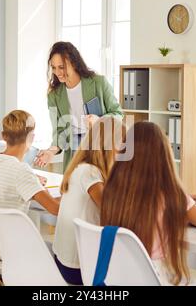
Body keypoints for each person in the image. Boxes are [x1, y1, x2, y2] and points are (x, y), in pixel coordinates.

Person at [101, 122, 196, 286]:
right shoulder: (173, 194)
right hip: (154, 277)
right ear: (162, 154)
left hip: (117, 277)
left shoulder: (112, 188)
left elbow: (147, 218)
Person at [0, 110, 60, 261]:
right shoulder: (21, 171)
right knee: (56, 252)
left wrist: (33, 183)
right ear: (32, 137)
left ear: (3, 136)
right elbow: (55, 209)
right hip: (3, 251)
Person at [52, 116, 127, 285]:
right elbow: (113, 210)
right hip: (77, 269)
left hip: (63, 261)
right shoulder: (90, 173)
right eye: (122, 143)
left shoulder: (81, 168)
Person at [34, 41, 123, 172]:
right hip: (74, 153)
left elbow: (118, 114)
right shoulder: (54, 96)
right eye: (53, 67)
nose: (57, 72)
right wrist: (50, 152)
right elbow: (59, 134)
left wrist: (99, 120)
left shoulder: (99, 83)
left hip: (101, 149)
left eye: (62, 67)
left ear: (74, 63)